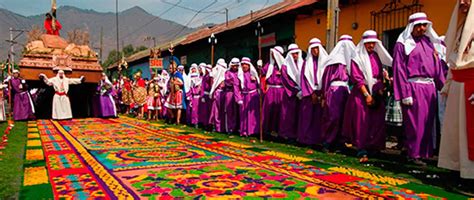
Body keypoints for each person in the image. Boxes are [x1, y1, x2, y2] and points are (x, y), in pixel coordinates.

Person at [393, 12, 446, 165]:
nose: (422, 28)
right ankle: (413, 153)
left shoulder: (430, 43)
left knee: (428, 122)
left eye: (424, 25)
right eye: (418, 25)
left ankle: (425, 153)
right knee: (414, 123)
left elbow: (437, 67)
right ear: (411, 27)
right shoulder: (402, 45)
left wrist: (442, 86)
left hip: (430, 88)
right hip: (413, 87)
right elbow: (399, 69)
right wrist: (405, 93)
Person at [438, 0, 474, 188]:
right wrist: (447, 85)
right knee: (455, 131)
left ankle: (471, 173)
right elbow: (454, 60)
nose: (462, 3)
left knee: (470, 132)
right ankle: (457, 169)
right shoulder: (460, 29)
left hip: (472, 85)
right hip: (457, 85)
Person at [343, 30, 393, 163]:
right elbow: (357, 78)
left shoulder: (377, 56)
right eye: (368, 43)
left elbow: (379, 76)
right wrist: (366, 95)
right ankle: (362, 147)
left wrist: (381, 89)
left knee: (377, 121)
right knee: (362, 121)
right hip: (362, 93)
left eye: (373, 43)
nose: (371, 45)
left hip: (376, 91)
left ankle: (374, 146)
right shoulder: (357, 58)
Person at [320, 35, 355, 151]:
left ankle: (341, 141)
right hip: (334, 91)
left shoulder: (351, 62)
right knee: (333, 117)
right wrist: (324, 94)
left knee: (345, 117)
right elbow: (326, 79)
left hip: (346, 90)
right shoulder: (333, 61)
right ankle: (328, 141)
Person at [297, 38, 328, 146]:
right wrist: (311, 93)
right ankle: (306, 139)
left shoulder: (326, 62)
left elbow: (327, 78)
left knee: (319, 118)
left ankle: (319, 139)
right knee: (307, 117)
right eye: (313, 48)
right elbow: (304, 78)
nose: (315, 50)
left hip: (321, 93)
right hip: (309, 94)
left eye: (317, 48)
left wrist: (323, 94)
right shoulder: (306, 63)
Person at [280, 44, 303, 141]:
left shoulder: (303, 64)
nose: (295, 56)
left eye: (297, 53)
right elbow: (287, 82)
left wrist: (303, 90)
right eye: (293, 54)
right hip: (291, 94)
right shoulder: (285, 67)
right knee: (289, 115)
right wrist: (296, 91)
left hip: (302, 94)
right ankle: (288, 135)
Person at [262, 47, 285, 136]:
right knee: (268, 109)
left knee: (278, 110)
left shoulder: (284, 65)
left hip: (280, 90)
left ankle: (278, 130)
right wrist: (260, 67)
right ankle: (267, 129)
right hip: (270, 90)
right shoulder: (269, 65)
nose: (272, 55)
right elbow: (263, 72)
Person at [238, 57, 260, 136]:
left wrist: (256, 80)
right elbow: (237, 87)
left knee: (253, 113)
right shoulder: (239, 75)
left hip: (253, 96)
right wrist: (239, 98)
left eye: (246, 64)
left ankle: (253, 131)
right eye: (243, 64)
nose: (244, 66)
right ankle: (244, 130)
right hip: (244, 96)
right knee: (244, 114)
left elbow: (259, 84)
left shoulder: (253, 74)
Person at [209, 59, 229, 132]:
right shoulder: (215, 71)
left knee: (222, 111)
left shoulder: (225, 73)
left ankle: (222, 127)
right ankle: (216, 126)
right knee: (216, 111)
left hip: (224, 93)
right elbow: (212, 84)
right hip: (217, 93)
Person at [199, 63, 213, 130]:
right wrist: (202, 96)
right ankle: (205, 124)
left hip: (210, 95)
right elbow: (203, 87)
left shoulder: (211, 77)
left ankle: (210, 124)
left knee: (210, 111)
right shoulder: (205, 77)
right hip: (205, 95)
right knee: (205, 111)